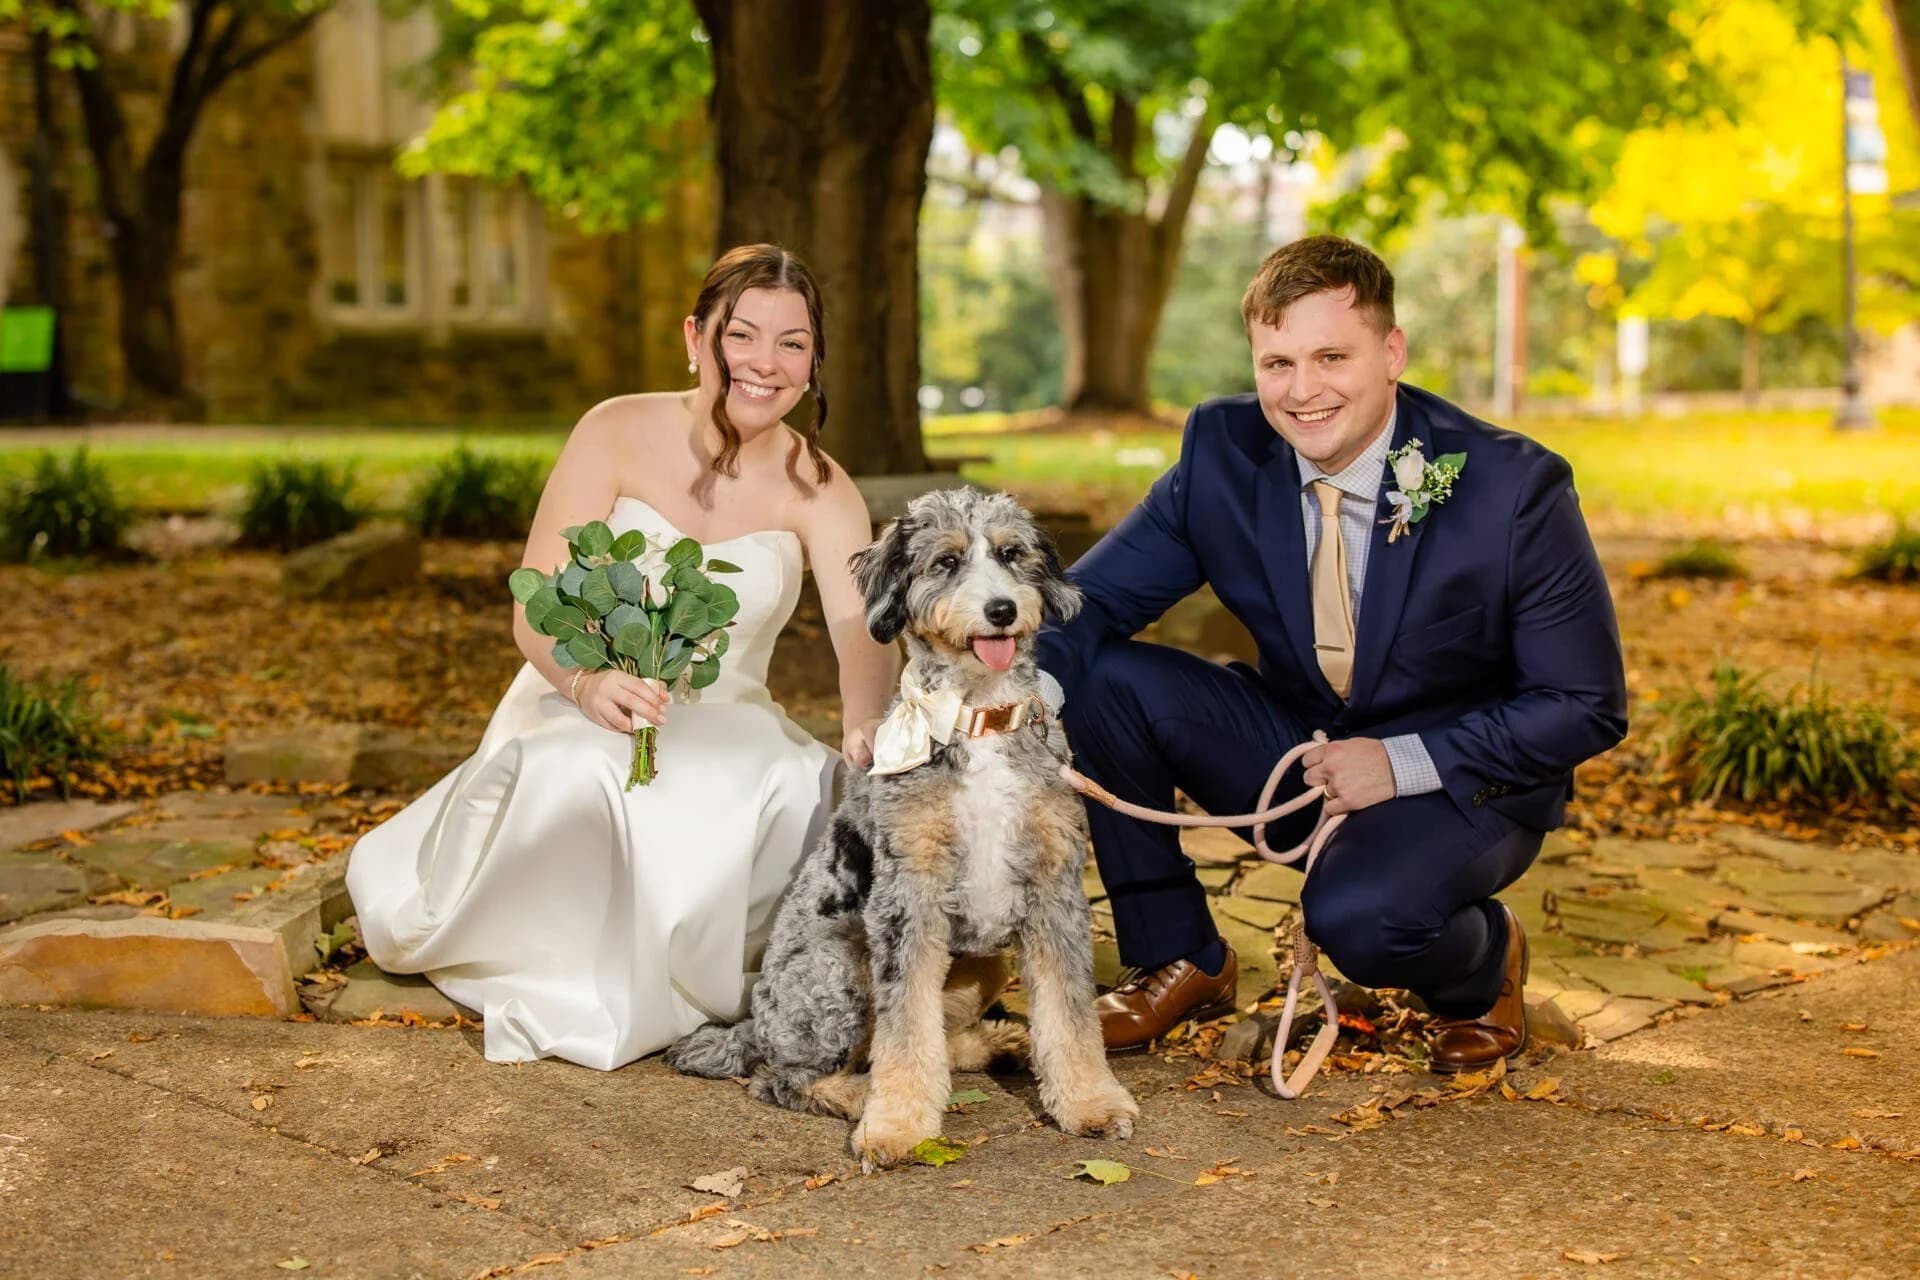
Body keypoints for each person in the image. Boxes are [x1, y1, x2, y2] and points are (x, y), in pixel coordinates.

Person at [1037, 235, 1627, 1070]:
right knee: (1098, 676)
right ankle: (1180, 957)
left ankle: (1485, 962)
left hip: (1463, 783)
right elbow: (1086, 605)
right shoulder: (1223, 453)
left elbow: (1585, 705)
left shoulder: (1512, 488)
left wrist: (1401, 763)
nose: (1302, 391)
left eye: (1331, 357)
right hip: (1304, 752)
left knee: (1360, 921)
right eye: (1277, 363)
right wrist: (1003, 701)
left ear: (1392, 354)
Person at [347, 244, 897, 1069]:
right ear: (695, 337)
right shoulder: (613, 430)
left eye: (792, 343)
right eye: (741, 335)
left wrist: (866, 727)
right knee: (585, 776)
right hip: (581, 699)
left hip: (731, 722)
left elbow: (862, 637)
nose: (765, 362)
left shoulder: (822, 486)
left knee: (803, 793)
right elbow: (534, 603)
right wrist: (585, 681)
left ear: (814, 361)